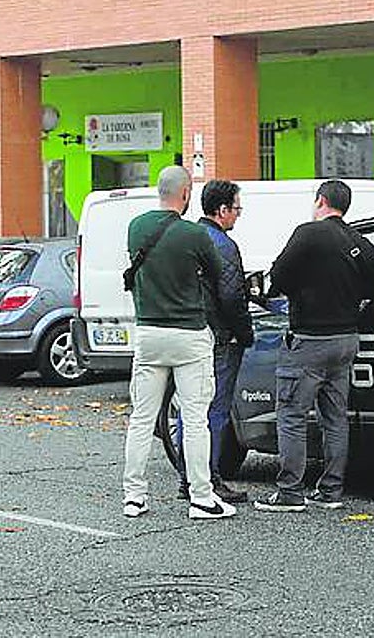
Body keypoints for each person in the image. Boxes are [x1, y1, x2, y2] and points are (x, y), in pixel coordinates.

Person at [254, 180, 374, 512]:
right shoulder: (360, 242)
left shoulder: (307, 233)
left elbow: (278, 279)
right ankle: (330, 491)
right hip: (346, 340)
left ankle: (290, 492)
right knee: (335, 416)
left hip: (309, 339)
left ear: (321, 201)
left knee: (292, 414)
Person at [121, 165, 235, 521]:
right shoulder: (194, 234)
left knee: (141, 419)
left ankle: (134, 497)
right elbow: (219, 277)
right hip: (189, 335)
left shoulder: (135, 228)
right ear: (186, 194)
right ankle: (201, 498)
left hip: (149, 334)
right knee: (195, 417)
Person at [175, 179, 254, 504]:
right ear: (221, 210)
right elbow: (232, 296)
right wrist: (245, 332)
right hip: (220, 336)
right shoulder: (222, 244)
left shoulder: (185, 238)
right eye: (236, 209)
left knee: (190, 407)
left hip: (189, 331)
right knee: (216, 409)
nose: (238, 215)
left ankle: (187, 476)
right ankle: (209, 478)